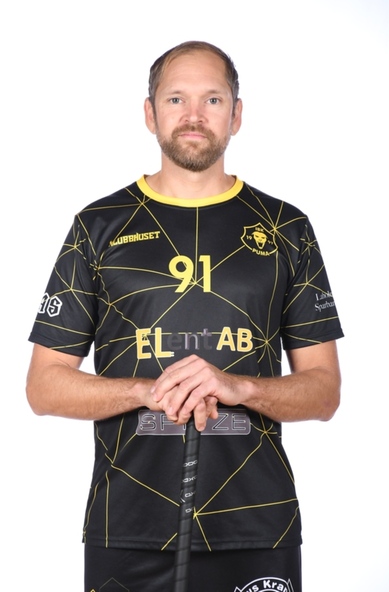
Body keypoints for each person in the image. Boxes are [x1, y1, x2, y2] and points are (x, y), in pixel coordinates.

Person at [26, 41, 343, 592]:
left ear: (236, 115)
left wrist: (239, 387)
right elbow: (43, 387)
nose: (194, 115)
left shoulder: (286, 228)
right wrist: (147, 392)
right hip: (126, 525)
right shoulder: (97, 226)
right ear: (150, 113)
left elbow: (325, 392)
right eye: (176, 99)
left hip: (257, 524)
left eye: (212, 99)